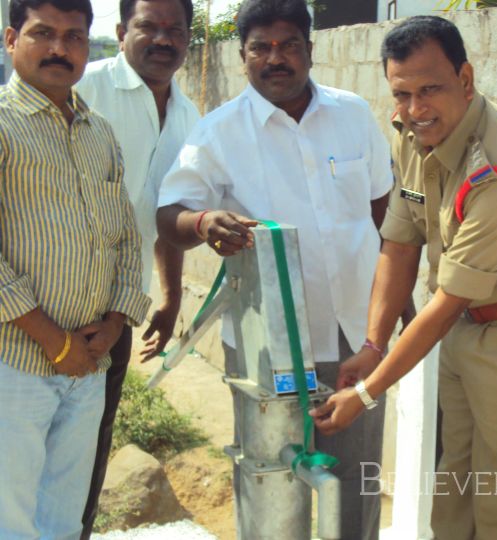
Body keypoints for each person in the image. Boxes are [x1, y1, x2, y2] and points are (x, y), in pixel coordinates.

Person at [312, 16, 497, 539]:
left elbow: (447, 301)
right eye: (402, 93)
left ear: (466, 79)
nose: (415, 109)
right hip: (465, 329)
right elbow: (398, 242)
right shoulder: (412, 134)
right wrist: (372, 343)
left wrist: (368, 392)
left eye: (430, 89)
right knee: (454, 487)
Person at [156, 0, 392, 537]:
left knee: (356, 480)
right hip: (268, 349)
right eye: (260, 47)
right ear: (242, 57)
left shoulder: (353, 113)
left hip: (355, 333)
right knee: (271, 482)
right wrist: (203, 222)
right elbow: (169, 214)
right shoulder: (218, 133)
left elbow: (385, 217)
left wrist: (396, 310)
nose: (275, 58)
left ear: (311, 50)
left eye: (289, 45)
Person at [0, 0, 151, 537]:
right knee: (10, 519)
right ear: (11, 38)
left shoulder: (99, 133)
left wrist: (113, 325)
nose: (60, 48)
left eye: (74, 36)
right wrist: (51, 340)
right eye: (44, 33)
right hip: (15, 364)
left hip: (87, 363)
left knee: (62, 518)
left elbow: (127, 240)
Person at [74, 0, 199, 535]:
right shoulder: (84, 91)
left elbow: (168, 211)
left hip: (118, 315)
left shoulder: (190, 117)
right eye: (150, 27)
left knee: (90, 450)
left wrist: (168, 296)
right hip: (47, 307)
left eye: (176, 30)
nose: (163, 40)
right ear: (122, 30)